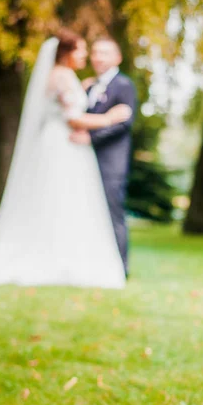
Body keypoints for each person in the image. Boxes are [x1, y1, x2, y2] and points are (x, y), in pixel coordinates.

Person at [0, 29, 131, 289]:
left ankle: (66, 256)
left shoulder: (69, 77)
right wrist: (110, 118)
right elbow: (72, 118)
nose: (87, 55)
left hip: (65, 144)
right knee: (60, 199)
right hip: (62, 145)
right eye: (83, 50)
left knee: (67, 200)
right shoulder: (62, 77)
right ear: (67, 53)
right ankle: (58, 259)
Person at [70, 38, 137, 277]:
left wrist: (92, 137)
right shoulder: (88, 86)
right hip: (84, 160)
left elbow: (125, 123)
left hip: (112, 161)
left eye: (105, 53)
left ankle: (121, 267)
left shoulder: (124, 85)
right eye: (96, 53)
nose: (98, 57)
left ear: (117, 58)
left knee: (112, 212)